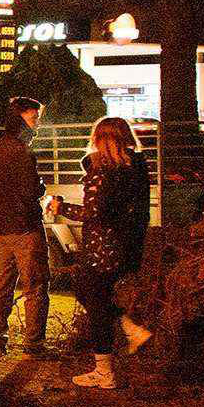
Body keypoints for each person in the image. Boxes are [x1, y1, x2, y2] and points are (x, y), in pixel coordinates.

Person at [66, 116, 153, 388]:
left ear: (99, 139)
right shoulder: (137, 167)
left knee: (93, 300)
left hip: (103, 247)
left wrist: (61, 208)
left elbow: (93, 213)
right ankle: (129, 329)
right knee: (94, 295)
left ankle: (105, 370)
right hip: (129, 245)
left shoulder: (102, 170)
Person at [0, 95, 50, 356]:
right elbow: (30, 188)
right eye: (33, 118)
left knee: (0, 286)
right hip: (25, 227)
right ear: (19, 120)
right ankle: (33, 344)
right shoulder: (21, 150)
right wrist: (41, 187)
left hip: (1, 228)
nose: (37, 124)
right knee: (35, 285)